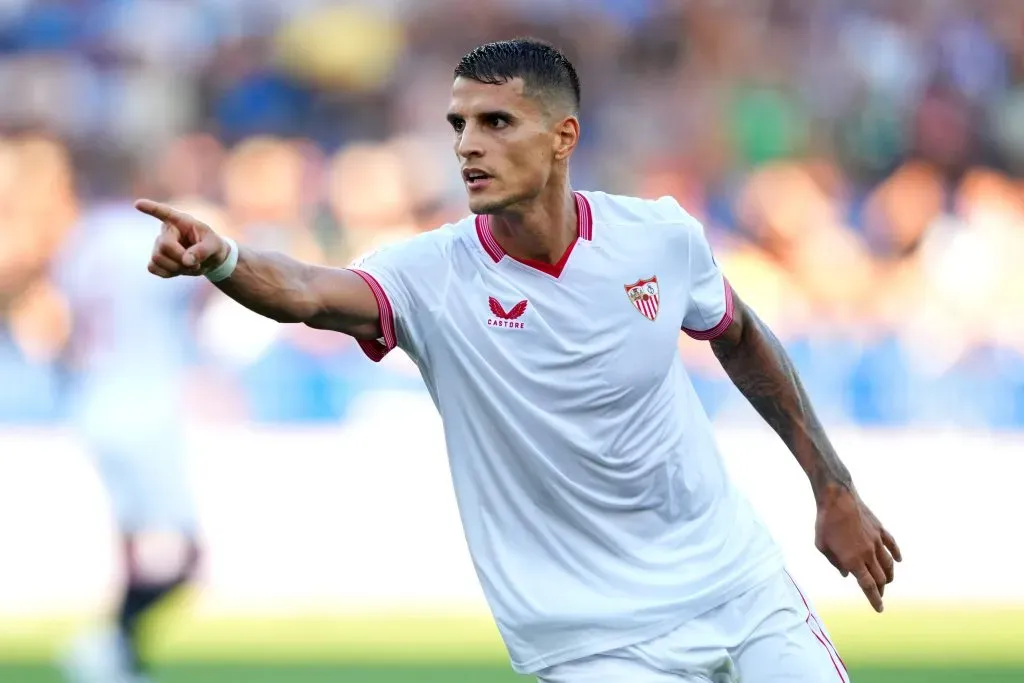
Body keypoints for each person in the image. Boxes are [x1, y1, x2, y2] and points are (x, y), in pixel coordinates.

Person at [135, 38, 900, 683]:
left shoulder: (658, 238)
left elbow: (737, 334)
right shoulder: (429, 276)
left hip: (737, 582)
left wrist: (833, 488)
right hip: (591, 637)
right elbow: (303, 290)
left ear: (563, 136)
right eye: (458, 124)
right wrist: (223, 258)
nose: (468, 143)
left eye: (496, 122)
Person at [57, 181, 202, 683]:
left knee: (133, 546)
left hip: (94, 401)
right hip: (148, 402)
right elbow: (206, 284)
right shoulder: (149, 238)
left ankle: (122, 656)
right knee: (187, 557)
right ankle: (109, 639)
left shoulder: (80, 242)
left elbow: (70, 326)